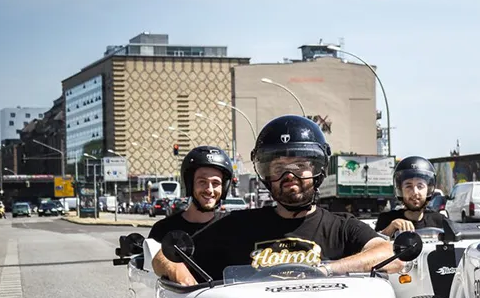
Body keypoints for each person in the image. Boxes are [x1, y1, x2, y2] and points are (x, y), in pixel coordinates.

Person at [180, 115, 401, 285]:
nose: (289, 176)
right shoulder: (235, 225)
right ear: (266, 175)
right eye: (279, 168)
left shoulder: (342, 227)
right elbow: (172, 254)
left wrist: (329, 269)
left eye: (299, 166)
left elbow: (391, 255)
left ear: (317, 170)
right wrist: (178, 274)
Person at [149, 146, 233, 283]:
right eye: (202, 182)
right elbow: (152, 265)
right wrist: (171, 266)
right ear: (189, 184)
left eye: (216, 183)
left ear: (224, 187)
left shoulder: (234, 225)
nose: (209, 190)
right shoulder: (163, 229)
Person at [375, 156, 447, 235]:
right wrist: (391, 228)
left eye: (420, 186)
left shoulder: (440, 221)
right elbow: (374, 244)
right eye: (408, 186)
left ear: (428, 190)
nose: (415, 192)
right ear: (400, 190)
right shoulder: (386, 219)